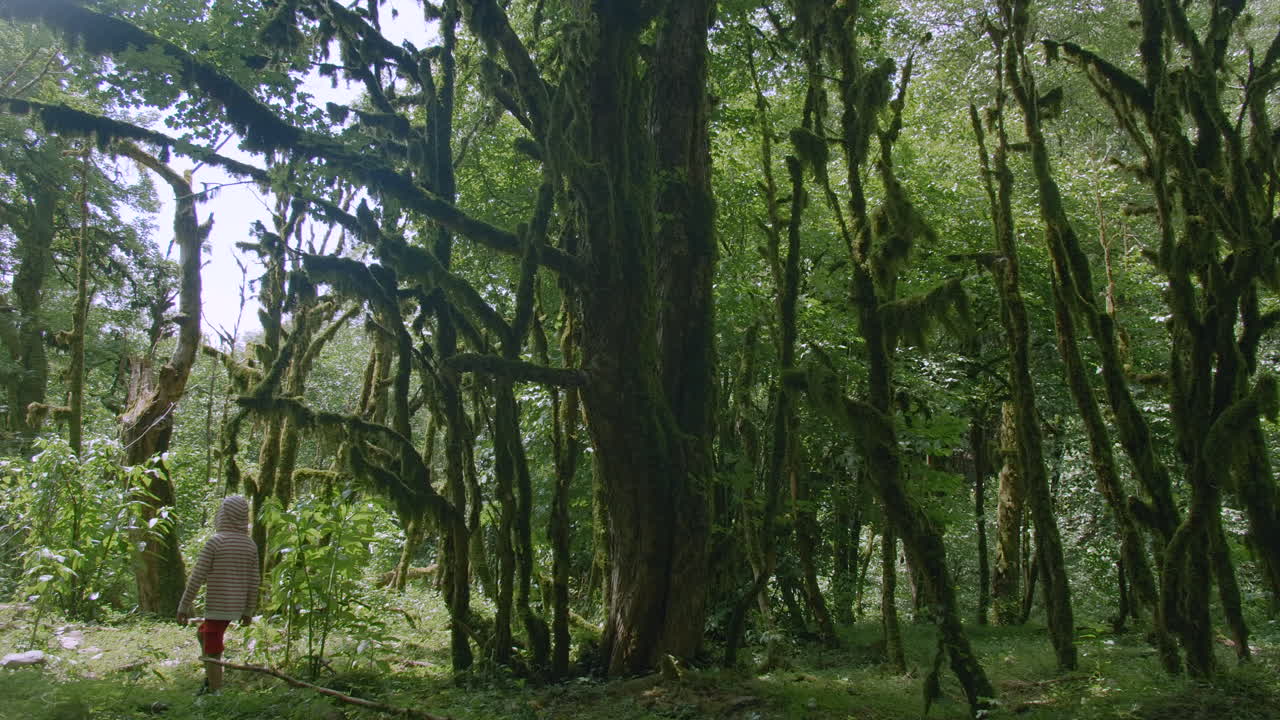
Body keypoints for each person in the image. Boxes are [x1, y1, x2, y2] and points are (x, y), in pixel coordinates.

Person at [176, 495, 260, 694]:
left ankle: (215, 692)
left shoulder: (216, 542)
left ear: (223, 515)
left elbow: (197, 576)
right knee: (203, 634)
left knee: (212, 648)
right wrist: (248, 610)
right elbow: (254, 581)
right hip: (236, 605)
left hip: (218, 606)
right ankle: (210, 681)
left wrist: (183, 605)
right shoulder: (250, 545)